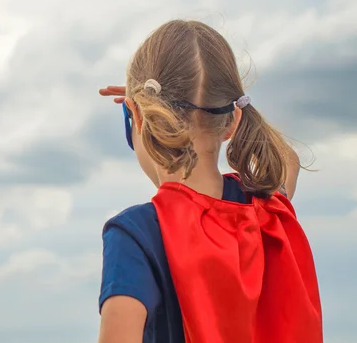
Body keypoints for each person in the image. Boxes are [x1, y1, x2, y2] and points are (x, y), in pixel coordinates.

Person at [96, 20, 322, 343]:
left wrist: (143, 105)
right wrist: (237, 106)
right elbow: (289, 160)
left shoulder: (136, 235)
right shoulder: (268, 211)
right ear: (231, 125)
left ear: (142, 119)